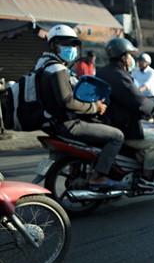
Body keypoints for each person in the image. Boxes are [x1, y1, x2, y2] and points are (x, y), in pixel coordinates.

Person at [37, 25, 124, 189]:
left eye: (73, 45)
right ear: (53, 45)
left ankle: (80, 169)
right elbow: (68, 102)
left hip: (53, 122)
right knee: (117, 136)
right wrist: (95, 108)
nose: (71, 48)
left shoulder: (42, 65)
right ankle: (98, 176)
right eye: (66, 44)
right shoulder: (57, 69)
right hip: (68, 124)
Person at [96, 38, 154, 189]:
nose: (134, 60)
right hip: (121, 125)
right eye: (131, 56)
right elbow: (140, 104)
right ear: (123, 57)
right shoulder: (120, 76)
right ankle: (147, 179)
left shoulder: (103, 71)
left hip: (107, 121)